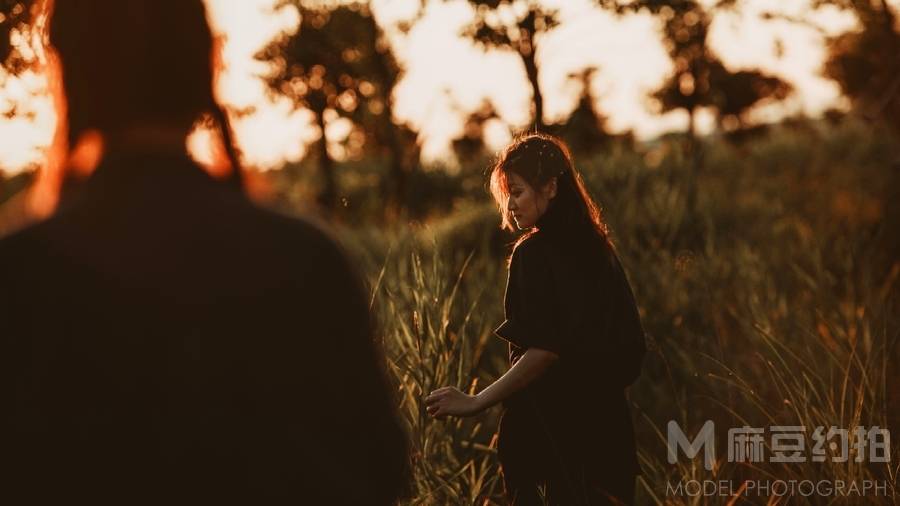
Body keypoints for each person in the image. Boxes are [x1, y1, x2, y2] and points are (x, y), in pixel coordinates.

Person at [0, 1, 407, 504]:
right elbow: (381, 469)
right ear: (206, 66)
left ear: (66, 72)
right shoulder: (306, 258)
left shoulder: (21, 273)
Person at [426, 134, 646, 505]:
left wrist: (475, 401)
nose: (510, 205)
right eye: (507, 194)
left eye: (517, 191)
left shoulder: (534, 253)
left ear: (551, 187)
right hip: (610, 440)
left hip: (547, 442)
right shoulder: (598, 248)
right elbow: (631, 348)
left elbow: (543, 350)